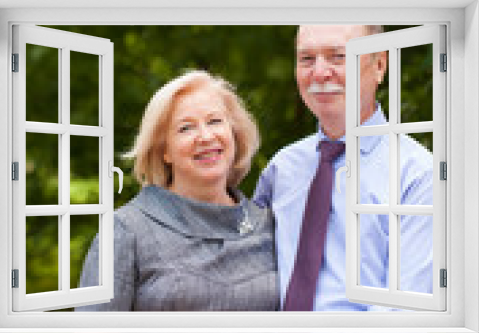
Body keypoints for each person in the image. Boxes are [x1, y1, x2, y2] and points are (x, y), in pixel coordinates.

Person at [253, 25, 433, 311]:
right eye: (307, 59)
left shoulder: (419, 175)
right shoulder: (282, 168)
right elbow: (246, 270)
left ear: (380, 65)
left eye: (338, 56)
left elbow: (406, 311)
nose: (320, 72)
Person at [76, 70, 279, 311]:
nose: (205, 136)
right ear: (164, 151)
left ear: (234, 134)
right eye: (186, 128)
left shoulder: (269, 224)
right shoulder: (125, 231)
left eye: (215, 121)